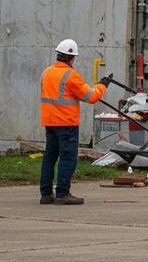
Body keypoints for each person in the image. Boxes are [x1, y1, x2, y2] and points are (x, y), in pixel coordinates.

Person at [39, 39, 110, 205]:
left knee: (49, 157)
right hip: (66, 124)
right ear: (72, 58)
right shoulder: (70, 75)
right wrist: (102, 86)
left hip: (50, 122)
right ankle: (63, 193)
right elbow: (91, 97)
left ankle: (46, 194)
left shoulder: (46, 72)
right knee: (68, 158)